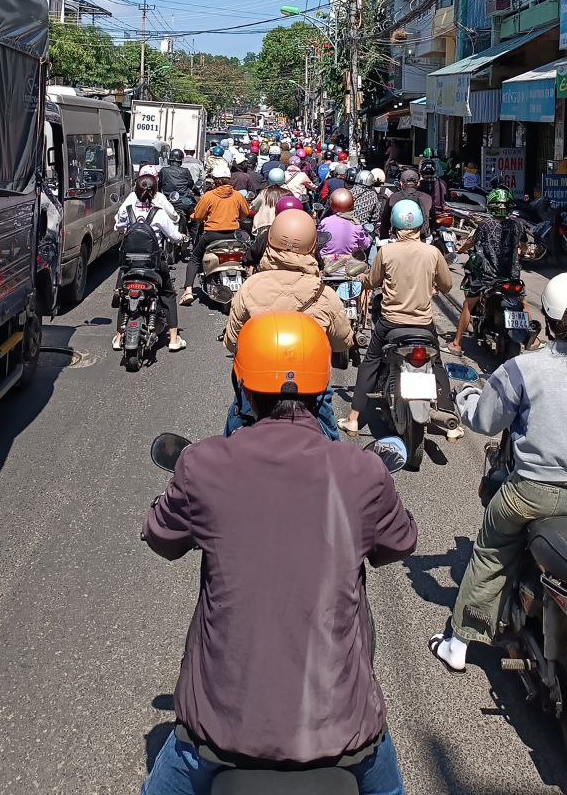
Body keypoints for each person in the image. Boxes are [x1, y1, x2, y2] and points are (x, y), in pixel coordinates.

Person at [141, 312, 416, 794]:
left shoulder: (202, 465)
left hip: (219, 730)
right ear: (323, 388)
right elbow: (400, 544)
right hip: (343, 732)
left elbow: (161, 538)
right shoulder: (362, 471)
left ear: (241, 383)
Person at [431, 273, 567, 672]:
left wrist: (467, 395)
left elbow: (487, 420)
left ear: (546, 317)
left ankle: (460, 641)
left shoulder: (521, 369)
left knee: (492, 552)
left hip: (531, 492)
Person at [224, 212, 354, 441]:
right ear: (313, 246)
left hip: (258, 383)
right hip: (310, 385)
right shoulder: (324, 293)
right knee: (331, 435)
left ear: (270, 241)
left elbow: (232, 341)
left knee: (237, 419)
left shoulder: (250, 287)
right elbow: (343, 341)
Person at [338, 199, 455, 437]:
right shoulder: (432, 253)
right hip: (423, 324)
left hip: (390, 323)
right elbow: (447, 285)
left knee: (370, 362)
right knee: (438, 366)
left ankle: (353, 419)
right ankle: (451, 418)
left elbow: (372, 281)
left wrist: (362, 281)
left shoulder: (386, 252)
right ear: (420, 225)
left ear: (394, 225)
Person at [448, 188, 529, 354]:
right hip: (512, 278)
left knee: (468, 304)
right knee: (523, 302)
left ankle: (456, 343)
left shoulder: (485, 225)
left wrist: (461, 249)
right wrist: (521, 253)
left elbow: (471, 242)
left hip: (488, 278)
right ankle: (532, 340)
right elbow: (524, 247)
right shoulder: (518, 225)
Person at [114, 173, 186, 352]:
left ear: (136, 191)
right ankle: (174, 339)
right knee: (168, 294)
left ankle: (118, 337)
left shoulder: (127, 210)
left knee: (124, 295)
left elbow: (118, 227)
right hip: (153, 264)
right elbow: (174, 236)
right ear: (155, 193)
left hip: (130, 264)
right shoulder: (159, 214)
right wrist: (183, 238)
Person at [180, 161, 251, 305]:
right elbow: (245, 213)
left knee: (194, 258)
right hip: (233, 235)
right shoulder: (237, 195)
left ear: (215, 180)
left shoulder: (209, 196)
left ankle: (188, 290)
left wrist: (193, 217)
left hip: (211, 236)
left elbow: (198, 216)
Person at [319, 189, 371, 272]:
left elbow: (319, 240)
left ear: (332, 204)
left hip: (327, 261)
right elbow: (365, 245)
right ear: (351, 204)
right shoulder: (356, 225)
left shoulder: (325, 221)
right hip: (349, 263)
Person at [380, 167, 432, 239]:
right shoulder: (427, 198)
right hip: (421, 238)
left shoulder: (393, 197)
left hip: (398, 238)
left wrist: (384, 237)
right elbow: (432, 221)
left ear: (401, 183)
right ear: (418, 183)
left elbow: (385, 222)